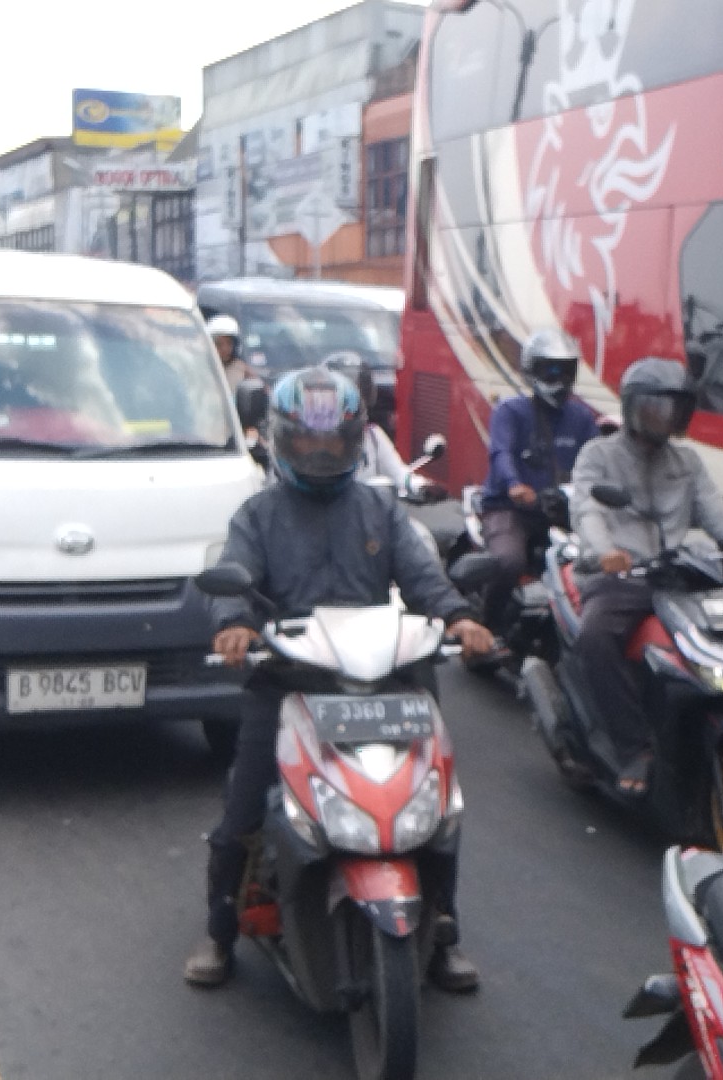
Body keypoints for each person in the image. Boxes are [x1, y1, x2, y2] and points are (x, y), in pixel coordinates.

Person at [184, 367, 495, 991]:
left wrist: (459, 618)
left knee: (434, 807)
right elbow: (232, 573)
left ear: (355, 440)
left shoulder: (380, 506)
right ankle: (220, 929)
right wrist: (236, 624)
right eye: (306, 442)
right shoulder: (258, 514)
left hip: (385, 679)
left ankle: (442, 930)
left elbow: (422, 576)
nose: (321, 453)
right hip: (290, 680)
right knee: (243, 810)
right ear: (282, 440)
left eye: (334, 442)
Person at [570, 357, 723, 794]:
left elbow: (720, 520)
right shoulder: (598, 455)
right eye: (657, 406)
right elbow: (586, 511)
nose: (665, 416)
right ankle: (634, 746)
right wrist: (605, 553)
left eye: (675, 408)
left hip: (677, 574)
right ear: (635, 407)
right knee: (595, 637)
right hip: (622, 576)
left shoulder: (687, 462)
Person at [480, 328, 601, 624]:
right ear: (531, 371)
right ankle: (487, 628)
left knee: (600, 562)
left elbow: (598, 460)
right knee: (509, 562)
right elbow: (501, 453)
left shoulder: (582, 418)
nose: (559, 380)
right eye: (551, 371)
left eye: (566, 371)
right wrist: (514, 484)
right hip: (512, 510)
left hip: (561, 510)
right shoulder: (510, 412)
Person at [322, 354, 446, 501]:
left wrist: (422, 486)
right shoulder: (316, 439)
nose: (352, 401)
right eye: (344, 394)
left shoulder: (372, 434)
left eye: (358, 392)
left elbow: (399, 473)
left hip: (369, 514)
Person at [207, 314, 246, 391]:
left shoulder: (241, 370)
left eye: (229, 343)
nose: (225, 349)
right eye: (219, 344)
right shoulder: (200, 369)